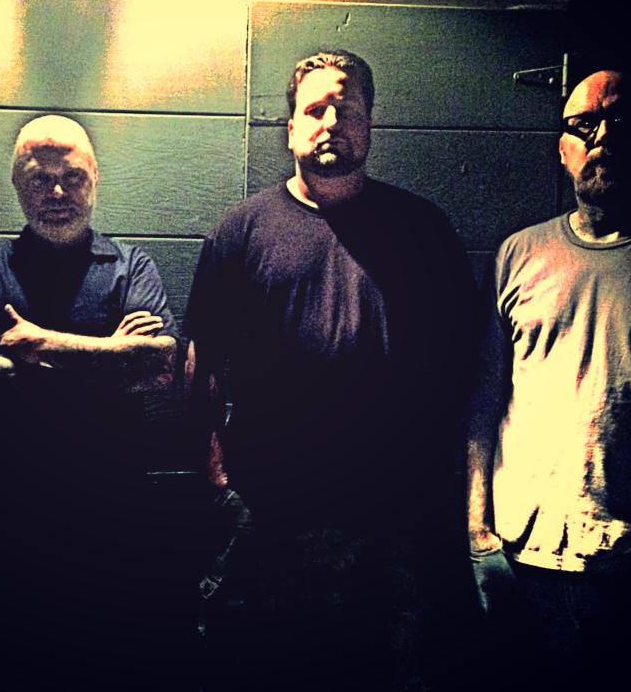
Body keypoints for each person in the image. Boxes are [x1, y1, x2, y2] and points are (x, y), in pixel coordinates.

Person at [185, 50, 476, 691]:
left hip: (392, 521)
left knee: (384, 671)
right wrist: (219, 477)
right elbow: (203, 365)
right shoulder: (241, 232)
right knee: (263, 669)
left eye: (348, 110)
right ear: (290, 126)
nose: (332, 123)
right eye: (316, 109)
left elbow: (462, 364)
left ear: (370, 125)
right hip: (271, 512)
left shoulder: (423, 231)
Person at [0, 114, 179, 689]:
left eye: (72, 177)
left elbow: (161, 366)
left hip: (114, 512)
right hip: (8, 516)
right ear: (17, 184)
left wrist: (38, 345)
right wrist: (111, 356)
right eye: (40, 179)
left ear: (96, 178)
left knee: (105, 663)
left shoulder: (131, 266)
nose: (58, 193)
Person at [467, 70, 631, 690]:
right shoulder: (517, 255)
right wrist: (477, 530)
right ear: (563, 148)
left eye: (620, 123)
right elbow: (483, 402)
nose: (602, 137)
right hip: (519, 554)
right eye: (584, 125)